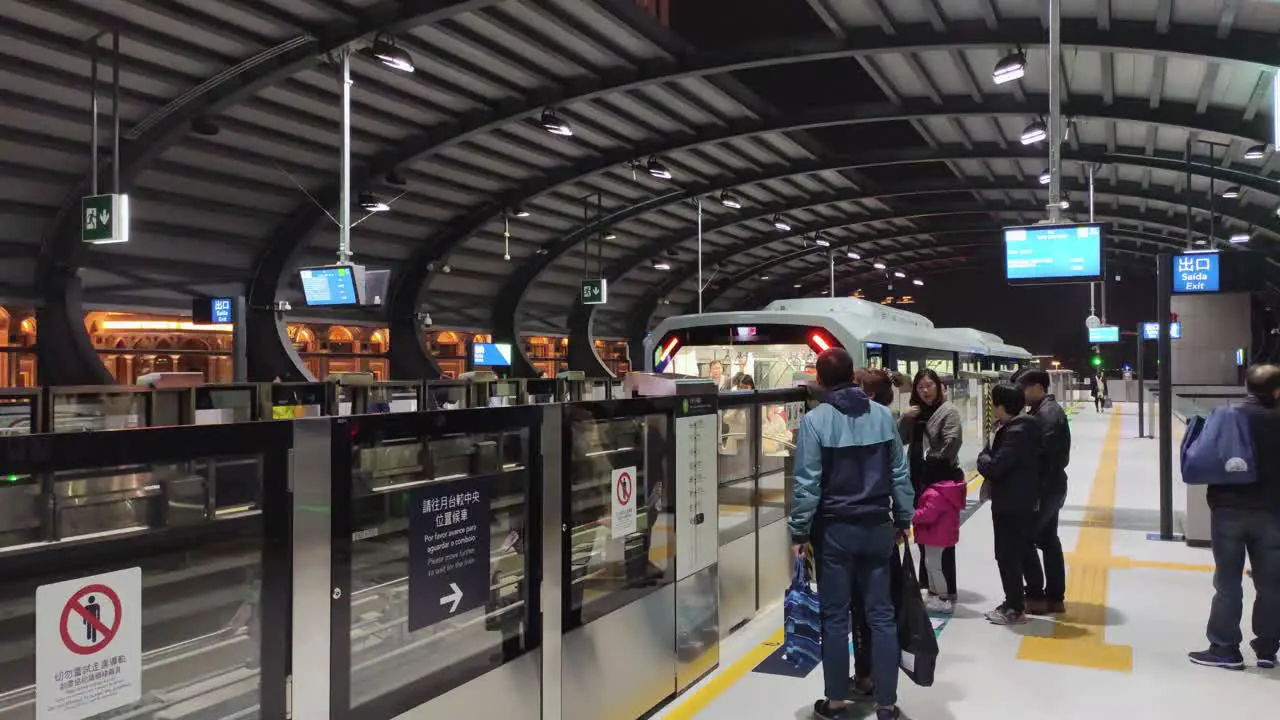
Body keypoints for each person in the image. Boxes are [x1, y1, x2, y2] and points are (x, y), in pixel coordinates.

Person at [790, 349, 913, 720]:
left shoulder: (815, 421)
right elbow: (899, 473)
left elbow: (807, 484)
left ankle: (837, 701)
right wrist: (903, 518)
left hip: (835, 531)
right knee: (881, 616)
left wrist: (799, 531)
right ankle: (887, 704)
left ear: (821, 380)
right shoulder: (881, 416)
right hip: (877, 527)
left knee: (835, 616)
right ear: (854, 379)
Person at [1188, 364, 1280, 671]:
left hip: (1228, 510)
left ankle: (1225, 649)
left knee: (1227, 583)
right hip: (1272, 513)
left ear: (1248, 386)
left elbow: (1203, 455)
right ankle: (1268, 649)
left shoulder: (1228, 416)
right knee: (1272, 584)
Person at [977, 383, 1043, 626]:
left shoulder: (1016, 432)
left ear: (1001, 406)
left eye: (993, 403)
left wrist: (983, 455)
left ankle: (1014, 608)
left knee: (1007, 556)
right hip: (1019, 500)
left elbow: (994, 467)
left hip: (1012, 503)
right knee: (1018, 551)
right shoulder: (1022, 427)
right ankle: (1016, 601)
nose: (992, 407)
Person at [899, 369, 964, 611]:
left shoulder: (948, 412)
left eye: (929, 385)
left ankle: (947, 592)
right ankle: (929, 586)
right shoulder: (915, 414)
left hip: (939, 483)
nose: (925, 391)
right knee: (925, 536)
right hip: (918, 481)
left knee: (942, 539)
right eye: (920, 387)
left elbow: (951, 444)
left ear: (939, 386)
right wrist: (906, 418)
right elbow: (899, 439)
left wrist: (930, 464)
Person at [1018, 370, 1071, 615]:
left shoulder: (1046, 415)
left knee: (1024, 540)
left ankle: (1036, 596)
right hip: (1053, 488)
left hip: (1045, 490)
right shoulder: (1046, 411)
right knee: (1049, 541)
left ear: (1038, 387)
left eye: (1024, 388)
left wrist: (1034, 495)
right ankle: (1055, 597)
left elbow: (1046, 459)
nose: (1022, 393)